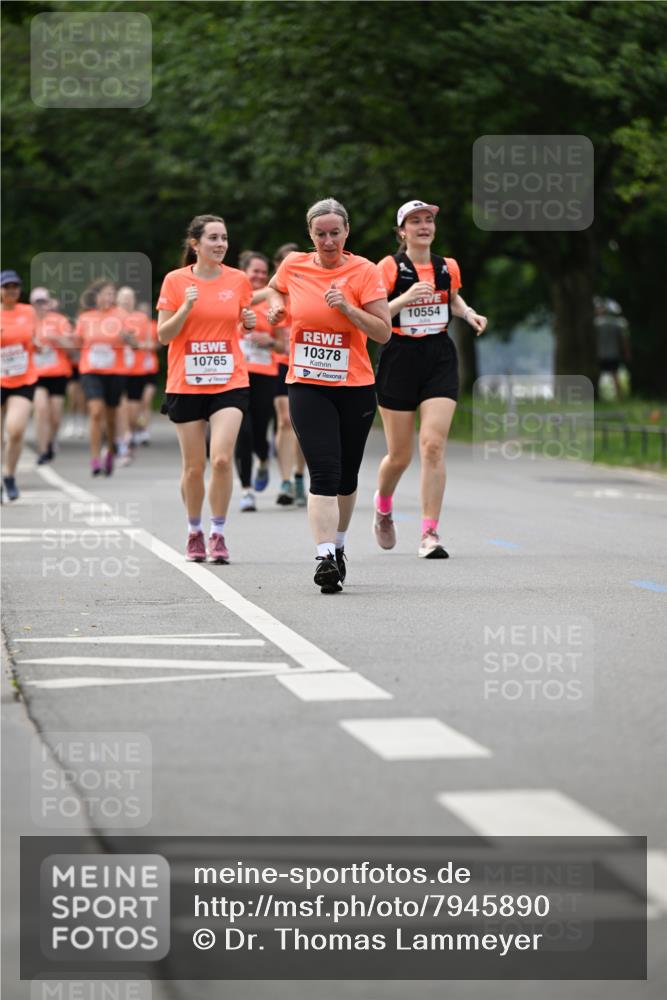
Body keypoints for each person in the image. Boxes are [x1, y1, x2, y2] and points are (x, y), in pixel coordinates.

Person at [265, 198, 391, 593]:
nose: (328, 240)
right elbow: (273, 289)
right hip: (306, 382)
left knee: (347, 477)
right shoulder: (294, 265)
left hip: (354, 386)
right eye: (320, 234)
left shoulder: (364, 272)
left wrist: (348, 309)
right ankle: (323, 556)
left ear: (346, 232)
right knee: (323, 469)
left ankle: (337, 546)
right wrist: (274, 308)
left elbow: (383, 332)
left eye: (335, 232)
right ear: (310, 235)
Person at [373, 200, 487, 558]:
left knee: (433, 446)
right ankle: (384, 505)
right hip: (399, 357)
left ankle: (429, 533)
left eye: (428, 220)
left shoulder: (447, 266)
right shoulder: (389, 268)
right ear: (401, 231)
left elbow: (450, 298)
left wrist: (468, 313)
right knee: (400, 455)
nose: (423, 226)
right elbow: (373, 315)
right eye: (414, 221)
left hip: (438, 356)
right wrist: (405, 298)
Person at [156, 213, 255, 563]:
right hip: (186, 382)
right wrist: (185, 307)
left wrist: (249, 322)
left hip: (229, 381)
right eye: (213, 238)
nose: (221, 244)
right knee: (194, 467)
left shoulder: (239, 280)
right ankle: (193, 530)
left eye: (225, 238)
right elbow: (164, 335)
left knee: (223, 457)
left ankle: (218, 533)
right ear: (195, 244)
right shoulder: (175, 281)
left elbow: (241, 324)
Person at [235, 252, 287, 511]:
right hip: (236, 376)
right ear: (242, 272)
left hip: (265, 374)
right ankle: (246, 490)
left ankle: (264, 459)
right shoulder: (232, 299)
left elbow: (283, 344)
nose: (259, 276)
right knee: (241, 432)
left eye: (263, 272)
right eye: (254, 271)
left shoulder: (271, 302)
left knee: (258, 430)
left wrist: (270, 342)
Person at [73, 279, 132, 476]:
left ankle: (110, 451)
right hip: (91, 371)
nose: (109, 298)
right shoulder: (85, 317)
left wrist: (127, 337)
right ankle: (95, 458)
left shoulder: (121, 315)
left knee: (111, 417)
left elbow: (135, 341)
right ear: (95, 296)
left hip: (115, 371)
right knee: (96, 411)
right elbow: (77, 343)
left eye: (111, 294)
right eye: (105, 294)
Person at [271, 242, 308, 506]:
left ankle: (298, 475)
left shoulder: (308, 288)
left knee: (301, 425)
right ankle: (285, 481)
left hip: (305, 362)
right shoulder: (272, 293)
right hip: (279, 363)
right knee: (285, 421)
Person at [0, 270, 37, 501]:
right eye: (6, 287)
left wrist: (39, 343)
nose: (11, 290)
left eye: (15, 286)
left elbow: (37, 336)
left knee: (16, 430)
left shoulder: (29, 312)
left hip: (23, 378)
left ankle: (10, 475)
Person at [30, 287, 75, 464]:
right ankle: (42, 450)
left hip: (58, 373)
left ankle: (51, 439)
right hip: (36, 374)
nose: (41, 306)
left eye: (44, 302)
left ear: (48, 303)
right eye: (37, 302)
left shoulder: (60, 320)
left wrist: (56, 338)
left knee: (55, 415)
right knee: (41, 409)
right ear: (32, 305)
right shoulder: (27, 321)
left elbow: (72, 349)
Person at [594, 296, 631, 399]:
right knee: (615, 376)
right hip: (613, 353)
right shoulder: (618, 323)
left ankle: (596, 396)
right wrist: (627, 352)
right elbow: (624, 340)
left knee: (597, 376)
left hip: (600, 353)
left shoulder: (596, 323)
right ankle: (620, 397)